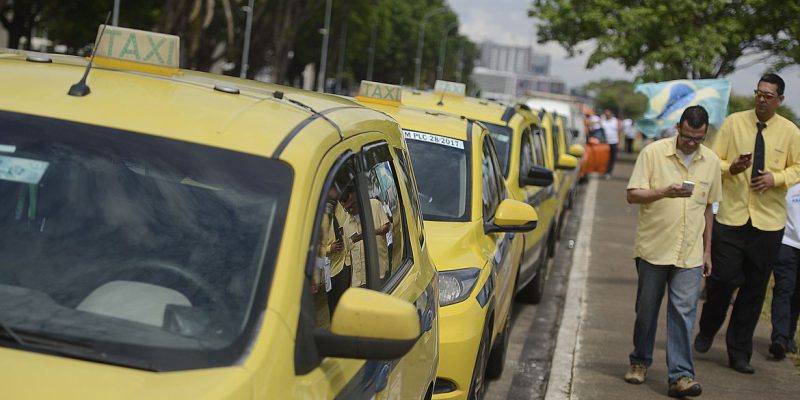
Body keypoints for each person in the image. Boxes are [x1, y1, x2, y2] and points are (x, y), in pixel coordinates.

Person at [694, 73, 800, 374]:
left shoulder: (791, 132)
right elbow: (713, 160)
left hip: (768, 223)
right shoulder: (734, 123)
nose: (762, 99)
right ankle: (708, 328)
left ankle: (739, 352)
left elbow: (798, 167)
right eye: (759, 93)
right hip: (732, 217)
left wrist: (776, 178)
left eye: (768, 96)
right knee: (722, 280)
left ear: (780, 100)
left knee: (754, 290)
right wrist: (732, 167)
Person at [625, 106, 721, 398]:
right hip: (654, 248)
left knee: (683, 313)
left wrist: (707, 251)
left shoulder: (711, 161)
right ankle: (640, 360)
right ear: (679, 128)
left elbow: (708, 209)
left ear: (705, 134)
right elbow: (632, 195)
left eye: (698, 139)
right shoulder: (653, 153)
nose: (692, 143)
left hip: (690, 253)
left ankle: (681, 376)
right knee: (646, 311)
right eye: (688, 137)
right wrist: (663, 192)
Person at [769, 182, 800, 359]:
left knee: (797, 294)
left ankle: (789, 335)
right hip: (786, 243)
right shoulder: (790, 182)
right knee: (784, 288)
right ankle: (779, 338)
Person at [339, 187, 390, 288]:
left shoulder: (375, 205)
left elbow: (386, 228)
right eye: (347, 209)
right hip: (359, 281)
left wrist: (367, 234)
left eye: (353, 205)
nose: (351, 210)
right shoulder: (346, 225)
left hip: (379, 273)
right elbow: (350, 256)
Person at [602, 109, 620, 179]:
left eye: (608, 114)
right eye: (606, 114)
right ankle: (605, 171)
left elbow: (618, 131)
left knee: (612, 158)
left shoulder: (615, 121)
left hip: (614, 142)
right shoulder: (603, 120)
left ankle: (608, 172)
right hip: (605, 143)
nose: (607, 115)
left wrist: (618, 142)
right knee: (605, 158)